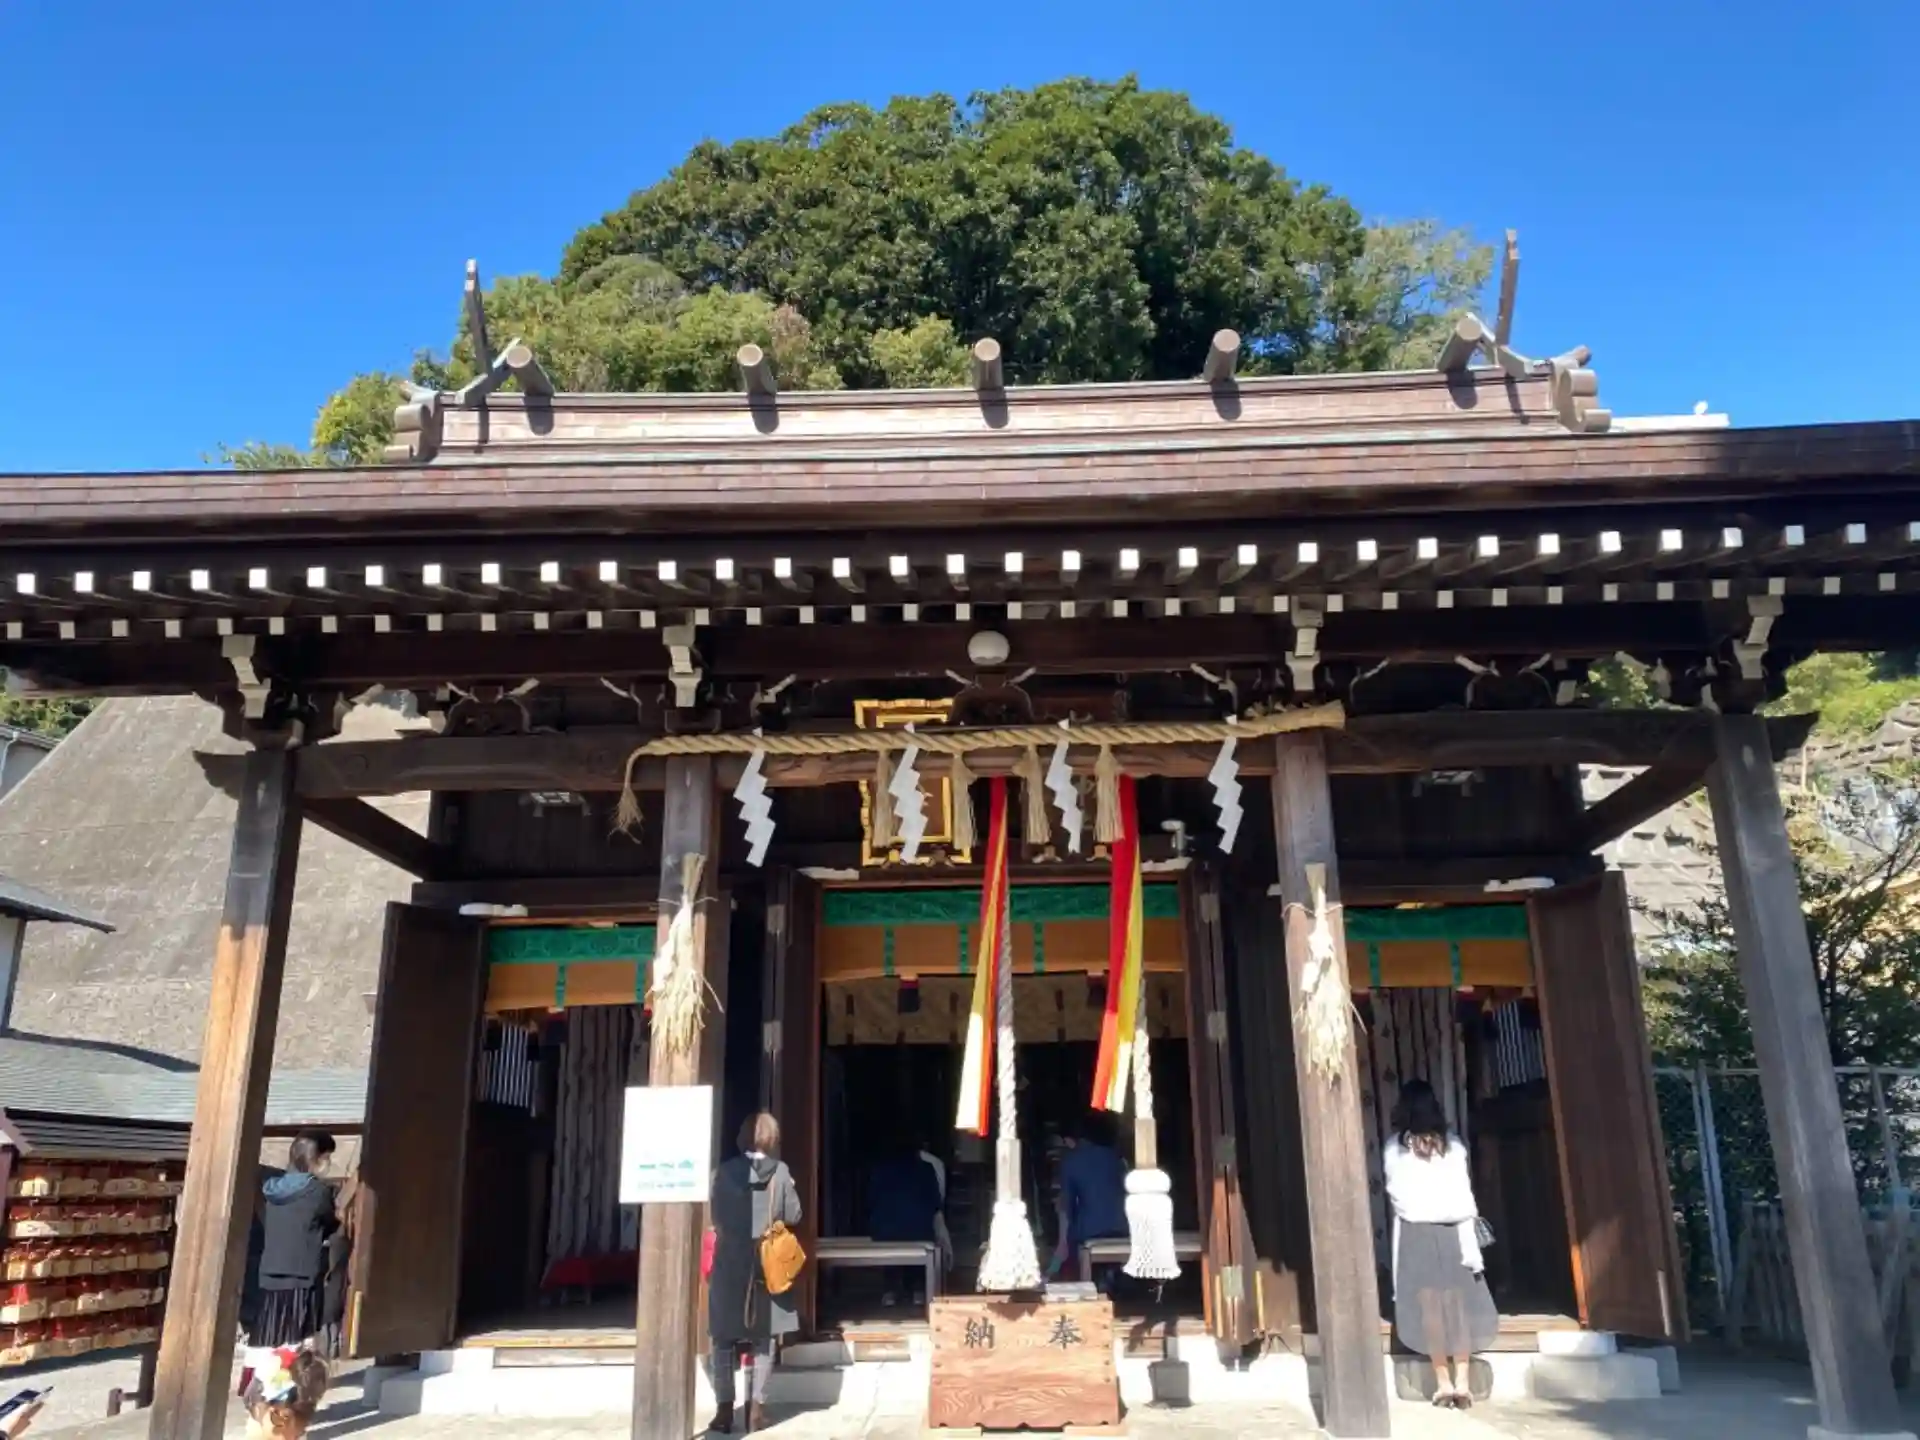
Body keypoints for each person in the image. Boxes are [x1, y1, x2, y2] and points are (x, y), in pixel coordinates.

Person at [1383, 1080, 1497, 1409]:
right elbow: (1463, 1190)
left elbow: (1397, 1195)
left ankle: (1443, 1383)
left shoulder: (1396, 1148)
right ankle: (1463, 1382)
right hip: (1454, 1231)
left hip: (1417, 1232)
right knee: (1457, 1306)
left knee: (1430, 1309)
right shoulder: (1454, 1146)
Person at [708, 1112, 801, 1436]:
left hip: (729, 1262)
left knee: (722, 1338)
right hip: (767, 1263)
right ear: (772, 1138)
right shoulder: (780, 1172)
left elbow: (716, 1216)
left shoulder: (722, 1173)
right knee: (764, 1337)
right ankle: (757, 1408)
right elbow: (794, 1215)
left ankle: (724, 1409)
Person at [242, 1132, 338, 1402]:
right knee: (297, 1341)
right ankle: (287, 1399)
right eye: (326, 1156)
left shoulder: (271, 1189)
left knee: (267, 1338)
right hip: (302, 1274)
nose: (328, 1163)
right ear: (316, 1158)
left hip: (270, 1272)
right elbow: (330, 1223)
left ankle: (258, 1394)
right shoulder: (317, 1192)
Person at [1048, 1111, 1129, 1282]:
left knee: (1069, 1224)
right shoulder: (1116, 1158)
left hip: (1090, 1233)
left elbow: (1067, 1207)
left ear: (1070, 1140)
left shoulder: (1071, 1161)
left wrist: (1062, 1244)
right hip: (1123, 1228)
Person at [865, 1133, 944, 1307]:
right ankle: (917, 1289)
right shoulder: (927, 1168)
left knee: (889, 1233)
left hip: (885, 1231)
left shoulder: (880, 1169)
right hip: (919, 1231)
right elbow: (935, 1203)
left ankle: (890, 1290)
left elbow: (870, 1200)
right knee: (918, 1231)